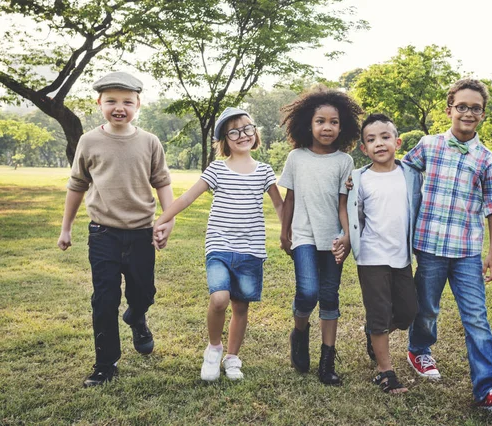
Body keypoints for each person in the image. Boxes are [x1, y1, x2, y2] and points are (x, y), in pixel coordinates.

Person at [403, 78, 492, 412]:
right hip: (428, 246)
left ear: (483, 114)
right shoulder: (428, 146)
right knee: (427, 308)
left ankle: (488, 387)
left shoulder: (487, 158)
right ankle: (418, 349)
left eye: (475, 108)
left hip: (467, 252)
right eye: (462, 106)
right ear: (449, 109)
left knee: (476, 318)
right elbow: (399, 174)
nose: (468, 113)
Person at [57, 71, 175, 387]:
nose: (118, 107)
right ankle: (105, 364)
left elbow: (162, 182)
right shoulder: (89, 141)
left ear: (138, 104)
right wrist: (66, 228)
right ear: (99, 103)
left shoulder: (150, 142)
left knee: (144, 292)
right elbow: (76, 185)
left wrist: (168, 219)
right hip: (103, 233)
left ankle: (137, 316)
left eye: (126, 101)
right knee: (104, 299)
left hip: (140, 233)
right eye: (111, 101)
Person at [152, 107, 283, 382]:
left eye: (247, 128)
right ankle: (214, 349)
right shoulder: (217, 169)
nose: (242, 135)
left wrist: (288, 233)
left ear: (255, 132)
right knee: (219, 299)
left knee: (241, 306)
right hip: (219, 246)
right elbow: (187, 197)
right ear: (225, 139)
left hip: (251, 249)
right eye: (233, 131)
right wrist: (162, 219)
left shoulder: (265, 171)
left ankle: (233, 357)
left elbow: (280, 205)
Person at [278, 86, 362, 385]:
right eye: (320, 121)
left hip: (333, 240)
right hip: (303, 236)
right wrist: (284, 231)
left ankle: (327, 361)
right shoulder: (296, 158)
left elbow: (343, 205)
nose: (327, 127)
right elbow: (289, 199)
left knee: (329, 297)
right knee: (308, 292)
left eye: (334, 122)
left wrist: (346, 237)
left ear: (343, 127)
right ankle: (299, 333)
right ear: (308, 124)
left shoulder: (344, 162)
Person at [347, 114, 422, 394]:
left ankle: (373, 333)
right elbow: (353, 216)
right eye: (371, 140)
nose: (379, 143)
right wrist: (345, 239)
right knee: (379, 314)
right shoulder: (359, 179)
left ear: (397, 142)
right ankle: (385, 371)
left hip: (401, 257)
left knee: (407, 312)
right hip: (371, 257)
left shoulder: (410, 175)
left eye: (385, 137)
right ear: (363, 148)